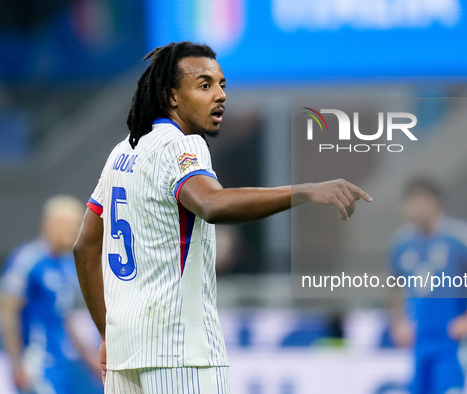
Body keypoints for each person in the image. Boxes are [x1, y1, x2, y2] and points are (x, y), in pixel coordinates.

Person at [73, 41, 372, 393]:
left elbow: (85, 246)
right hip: (182, 353)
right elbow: (211, 204)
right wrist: (304, 191)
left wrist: (108, 333)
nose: (220, 95)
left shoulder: (124, 151)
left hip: (127, 355)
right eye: (204, 85)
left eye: (222, 85)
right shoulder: (182, 144)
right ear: (171, 97)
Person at [388, 177, 467, 394]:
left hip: (451, 343)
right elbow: (392, 284)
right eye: (409, 202)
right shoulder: (402, 242)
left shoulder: (460, 236)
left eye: (418, 202)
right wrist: (398, 322)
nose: (412, 209)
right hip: (419, 344)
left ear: (435, 203)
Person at [0, 195, 101, 394]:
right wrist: (17, 363)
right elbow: (8, 313)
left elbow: (66, 317)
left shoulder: (68, 264)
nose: (73, 231)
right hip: (36, 364)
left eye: (77, 225)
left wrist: (89, 358)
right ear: (49, 224)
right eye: (67, 225)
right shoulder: (27, 260)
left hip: (63, 364)